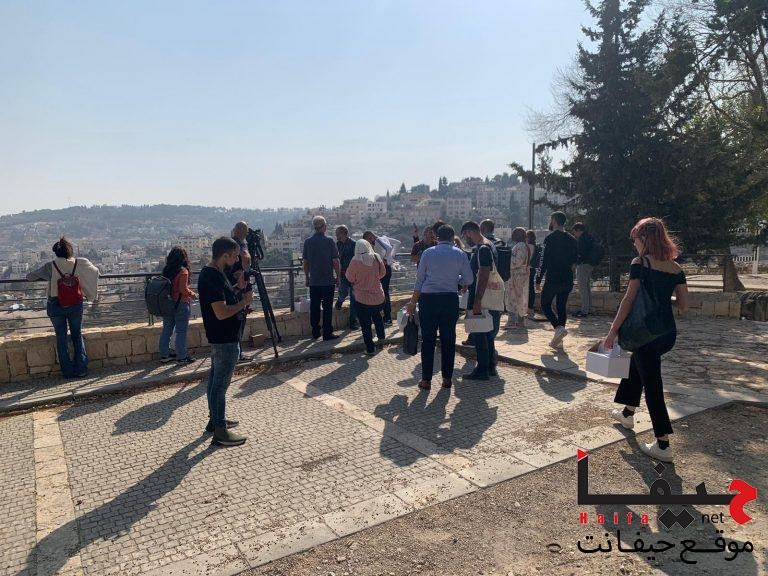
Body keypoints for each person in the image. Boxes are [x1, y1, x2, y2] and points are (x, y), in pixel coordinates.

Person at [603, 217, 688, 462]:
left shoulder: (640, 263)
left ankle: (663, 444)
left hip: (644, 333)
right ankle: (627, 412)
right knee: (639, 366)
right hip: (666, 333)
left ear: (644, 239)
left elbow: (629, 299)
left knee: (653, 385)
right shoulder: (676, 268)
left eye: (635, 239)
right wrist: (661, 296)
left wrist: (612, 332)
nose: (633, 243)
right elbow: (683, 305)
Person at [198, 237, 253, 446]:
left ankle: (215, 420)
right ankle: (220, 432)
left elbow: (223, 298)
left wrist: (237, 289)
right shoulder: (212, 276)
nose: (237, 260)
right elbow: (221, 312)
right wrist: (243, 302)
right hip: (224, 339)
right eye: (235, 256)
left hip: (220, 337)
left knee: (214, 381)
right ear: (225, 255)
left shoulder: (214, 273)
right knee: (220, 385)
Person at [405, 225, 474, 391]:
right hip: (449, 299)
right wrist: (455, 279)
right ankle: (447, 379)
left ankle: (426, 380)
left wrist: (413, 303)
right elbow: (469, 279)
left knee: (428, 340)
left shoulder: (428, 253)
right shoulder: (460, 254)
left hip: (428, 299)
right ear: (452, 237)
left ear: (437, 237)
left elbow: (420, 280)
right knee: (448, 340)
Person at [27, 237, 99, 379]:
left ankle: (67, 372)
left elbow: (30, 277)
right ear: (70, 250)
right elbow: (95, 272)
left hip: (55, 304)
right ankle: (81, 369)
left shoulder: (51, 266)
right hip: (75, 304)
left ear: (56, 252)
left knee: (61, 338)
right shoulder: (80, 263)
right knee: (77, 335)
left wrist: (49, 278)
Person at [460, 221, 500, 380]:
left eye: (465, 236)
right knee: (487, 333)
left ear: (470, 232)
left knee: (479, 333)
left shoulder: (482, 248)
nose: (465, 239)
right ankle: (490, 366)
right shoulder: (489, 245)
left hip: (481, 298)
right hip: (488, 297)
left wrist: (477, 300)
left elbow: (484, 274)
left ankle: (482, 369)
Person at [535, 212, 578, 349]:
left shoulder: (550, 239)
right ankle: (559, 337)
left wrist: (538, 279)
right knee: (561, 307)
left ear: (554, 220)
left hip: (553, 278)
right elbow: (575, 260)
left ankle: (558, 328)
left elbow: (543, 261)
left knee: (545, 304)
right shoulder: (572, 240)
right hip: (567, 277)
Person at [345, 240, 387, 355]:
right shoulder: (376, 257)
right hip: (379, 297)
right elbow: (383, 273)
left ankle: (370, 349)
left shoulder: (355, 261)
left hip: (362, 300)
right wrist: (373, 278)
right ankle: (382, 337)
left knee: (366, 325)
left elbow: (349, 278)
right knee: (377, 315)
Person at [303, 216, 341, 341]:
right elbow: (335, 261)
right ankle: (327, 332)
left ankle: (315, 331)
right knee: (327, 308)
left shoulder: (308, 242)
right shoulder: (329, 241)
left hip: (314, 281)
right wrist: (338, 277)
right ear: (324, 226)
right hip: (327, 281)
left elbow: (306, 262)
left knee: (314, 307)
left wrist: (307, 278)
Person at [159, 246, 198, 363]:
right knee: (181, 331)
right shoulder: (183, 271)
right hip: (181, 304)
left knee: (167, 329)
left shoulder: (166, 270)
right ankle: (181, 357)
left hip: (168, 304)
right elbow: (183, 290)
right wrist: (193, 294)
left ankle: (165, 355)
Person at [362, 231, 399, 326]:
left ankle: (386, 318)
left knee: (382, 293)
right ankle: (386, 317)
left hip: (382, 269)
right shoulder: (384, 238)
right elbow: (397, 243)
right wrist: (390, 257)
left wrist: (387, 258)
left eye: (367, 241)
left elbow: (388, 249)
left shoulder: (378, 241)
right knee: (384, 293)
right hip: (385, 268)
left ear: (370, 238)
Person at [230, 222, 253, 362]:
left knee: (234, 318)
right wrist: (248, 270)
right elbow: (246, 257)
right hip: (240, 285)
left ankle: (235, 352)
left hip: (231, 285)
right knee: (240, 318)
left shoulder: (229, 242)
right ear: (245, 232)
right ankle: (237, 353)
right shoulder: (241, 243)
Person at [505, 227, 530, 328]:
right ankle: (518, 321)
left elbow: (518, 261)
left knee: (514, 299)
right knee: (519, 299)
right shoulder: (523, 245)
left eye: (514, 233)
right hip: (519, 276)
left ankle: (515, 322)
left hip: (517, 277)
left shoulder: (520, 246)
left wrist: (507, 258)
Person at [334, 225, 359, 330]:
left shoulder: (354, 244)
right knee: (344, 292)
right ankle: (340, 300)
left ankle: (353, 322)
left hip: (353, 274)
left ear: (342, 233)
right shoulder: (337, 245)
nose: (336, 235)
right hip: (343, 274)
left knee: (354, 298)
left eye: (337, 233)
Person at [572, 222, 595, 317]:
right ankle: (589, 309)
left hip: (582, 265)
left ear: (578, 230)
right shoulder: (589, 237)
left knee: (583, 289)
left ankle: (584, 311)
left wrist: (575, 262)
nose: (574, 235)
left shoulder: (581, 239)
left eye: (574, 232)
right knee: (587, 288)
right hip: (590, 264)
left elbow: (580, 253)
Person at [526, 230, 541, 319]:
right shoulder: (536, 246)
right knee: (531, 288)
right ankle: (530, 307)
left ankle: (527, 306)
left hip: (526, 269)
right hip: (532, 269)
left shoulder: (527, 246)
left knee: (526, 289)